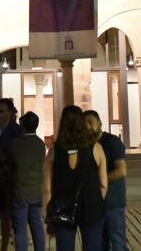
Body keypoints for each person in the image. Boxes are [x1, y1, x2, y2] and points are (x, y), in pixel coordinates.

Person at [44, 105, 108, 251]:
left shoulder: (54, 152)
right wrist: (96, 200)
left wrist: (49, 212)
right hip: (91, 205)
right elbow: (104, 184)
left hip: (63, 206)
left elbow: (47, 188)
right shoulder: (96, 148)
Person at [84, 111, 128, 251]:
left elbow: (121, 170)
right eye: (84, 124)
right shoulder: (85, 146)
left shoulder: (112, 141)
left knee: (117, 241)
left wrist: (97, 181)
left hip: (113, 201)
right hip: (95, 203)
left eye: (90, 122)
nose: (88, 126)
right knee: (101, 243)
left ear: (100, 123)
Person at [0, 98, 23, 251]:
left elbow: (18, 155)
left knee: (14, 214)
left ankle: (17, 243)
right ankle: (4, 244)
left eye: (1, 111)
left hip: (11, 177)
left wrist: (5, 158)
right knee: (2, 212)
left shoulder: (17, 130)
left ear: (10, 112)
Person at [8, 112, 46, 251]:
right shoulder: (40, 144)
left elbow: (9, 162)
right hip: (36, 191)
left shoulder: (16, 143)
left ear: (22, 125)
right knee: (37, 226)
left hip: (20, 192)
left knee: (20, 230)